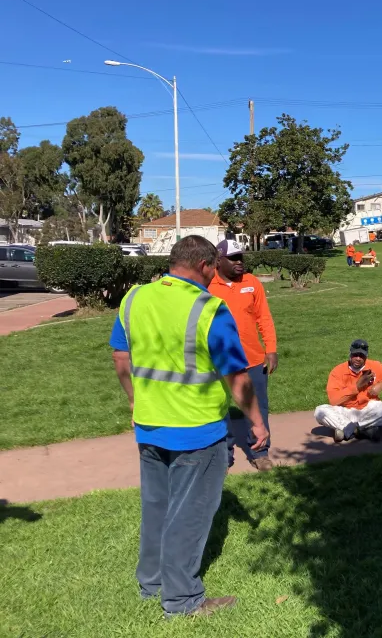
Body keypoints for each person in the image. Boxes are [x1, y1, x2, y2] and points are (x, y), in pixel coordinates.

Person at [109, 235, 268, 618]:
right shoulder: (210, 309)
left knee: (157, 506)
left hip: (150, 425)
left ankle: (152, 583)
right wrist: (257, 422)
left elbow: (121, 359)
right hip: (197, 431)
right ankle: (181, 600)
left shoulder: (134, 299)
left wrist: (134, 400)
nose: (214, 275)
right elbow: (238, 378)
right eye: (213, 268)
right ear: (204, 266)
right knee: (190, 514)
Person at [208, 239, 278, 472]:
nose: (240, 262)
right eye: (233, 258)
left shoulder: (252, 282)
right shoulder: (207, 285)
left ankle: (260, 453)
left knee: (259, 405)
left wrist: (270, 349)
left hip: (252, 358)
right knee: (218, 408)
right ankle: (224, 455)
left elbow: (264, 318)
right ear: (219, 261)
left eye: (241, 257)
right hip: (217, 360)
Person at [314, 339, 382, 443]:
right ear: (350, 354)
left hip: (368, 409)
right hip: (345, 410)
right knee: (320, 411)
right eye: (355, 355)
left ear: (366, 356)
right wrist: (356, 387)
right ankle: (366, 429)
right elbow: (334, 400)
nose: (358, 358)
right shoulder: (337, 371)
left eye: (361, 356)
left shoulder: (375, 366)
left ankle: (346, 430)